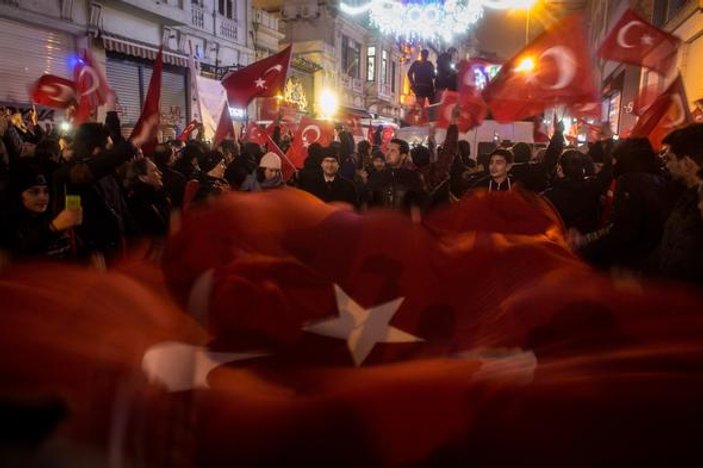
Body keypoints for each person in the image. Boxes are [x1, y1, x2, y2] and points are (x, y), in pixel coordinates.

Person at [1, 162, 82, 259]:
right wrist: (53, 228)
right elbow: (16, 257)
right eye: (34, 192)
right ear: (18, 196)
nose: (43, 197)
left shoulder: (53, 218)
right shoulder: (7, 226)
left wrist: (91, 256)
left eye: (46, 191)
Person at [654, 124, 703, 284]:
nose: (666, 165)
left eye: (669, 158)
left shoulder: (697, 204)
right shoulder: (684, 196)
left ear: (687, 163)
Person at [367, 138, 427, 215]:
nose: (388, 154)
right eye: (387, 149)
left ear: (403, 156)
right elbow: (368, 203)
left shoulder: (413, 177)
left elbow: (420, 206)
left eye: (393, 151)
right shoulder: (376, 176)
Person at [124, 158, 171, 237]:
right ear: (142, 177)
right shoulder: (137, 201)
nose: (160, 173)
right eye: (154, 171)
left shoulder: (154, 192)